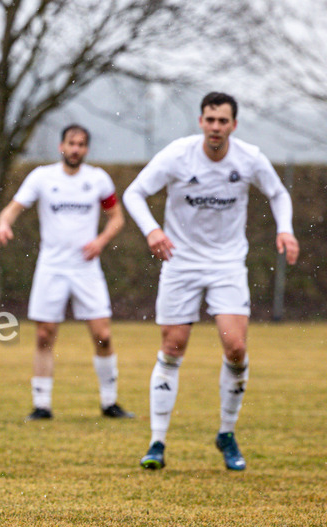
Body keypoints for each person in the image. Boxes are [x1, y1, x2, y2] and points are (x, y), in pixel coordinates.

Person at [123, 91, 299, 471]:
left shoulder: (249, 158)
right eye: (210, 119)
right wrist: (152, 231)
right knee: (174, 345)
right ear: (200, 122)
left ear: (234, 124)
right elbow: (134, 193)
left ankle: (226, 433)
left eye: (223, 121)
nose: (216, 127)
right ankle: (157, 442)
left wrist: (285, 230)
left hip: (226, 263)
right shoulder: (177, 154)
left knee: (235, 347)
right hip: (180, 262)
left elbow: (278, 193)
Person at [0, 124, 131, 421]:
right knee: (44, 334)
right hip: (52, 267)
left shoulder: (97, 180)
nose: (76, 149)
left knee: (103, 335)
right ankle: (41, 405)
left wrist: (101, 241)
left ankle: (110, 402)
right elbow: (13, 208)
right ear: (61, 146)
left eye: (81, 144)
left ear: (87, 149)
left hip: (86, 268)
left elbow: (116, 217)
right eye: (71, 143)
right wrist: (4, 224)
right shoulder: (43, 177)